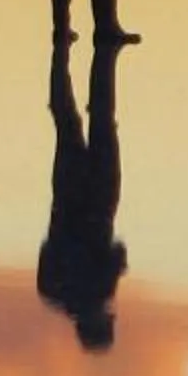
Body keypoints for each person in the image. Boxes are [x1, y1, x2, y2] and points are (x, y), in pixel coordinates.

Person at [37, 35, 127, 352]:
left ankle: (81, 52)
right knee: (67, 121)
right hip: (69, 197)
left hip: (97, 197)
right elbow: (48, 247)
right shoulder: (50, 292)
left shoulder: (97, 290)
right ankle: (61, 56)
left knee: (100, 121)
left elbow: (117, 253)